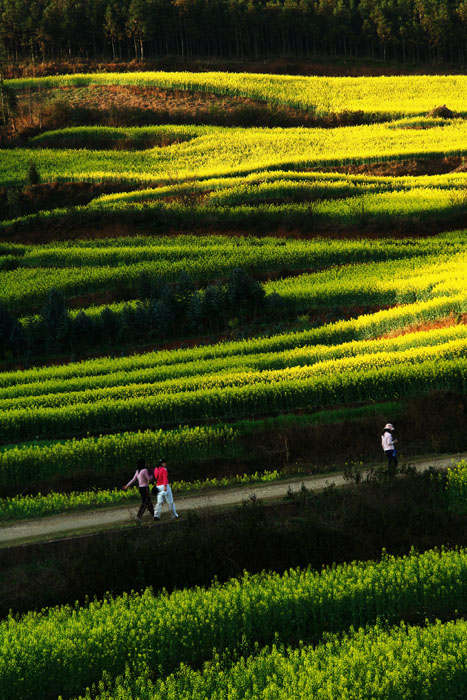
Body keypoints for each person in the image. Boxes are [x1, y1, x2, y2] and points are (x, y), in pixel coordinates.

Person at [123, 457, 155, 522]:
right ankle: (138, 516)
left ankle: (155, 516)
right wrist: (153, 475)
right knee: (145, 503)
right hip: (145, 488)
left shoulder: (137, 471)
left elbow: (133, 479)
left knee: (149, 503)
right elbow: (149, 479)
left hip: (140, 488)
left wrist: (127, 485)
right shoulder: (145, 470)